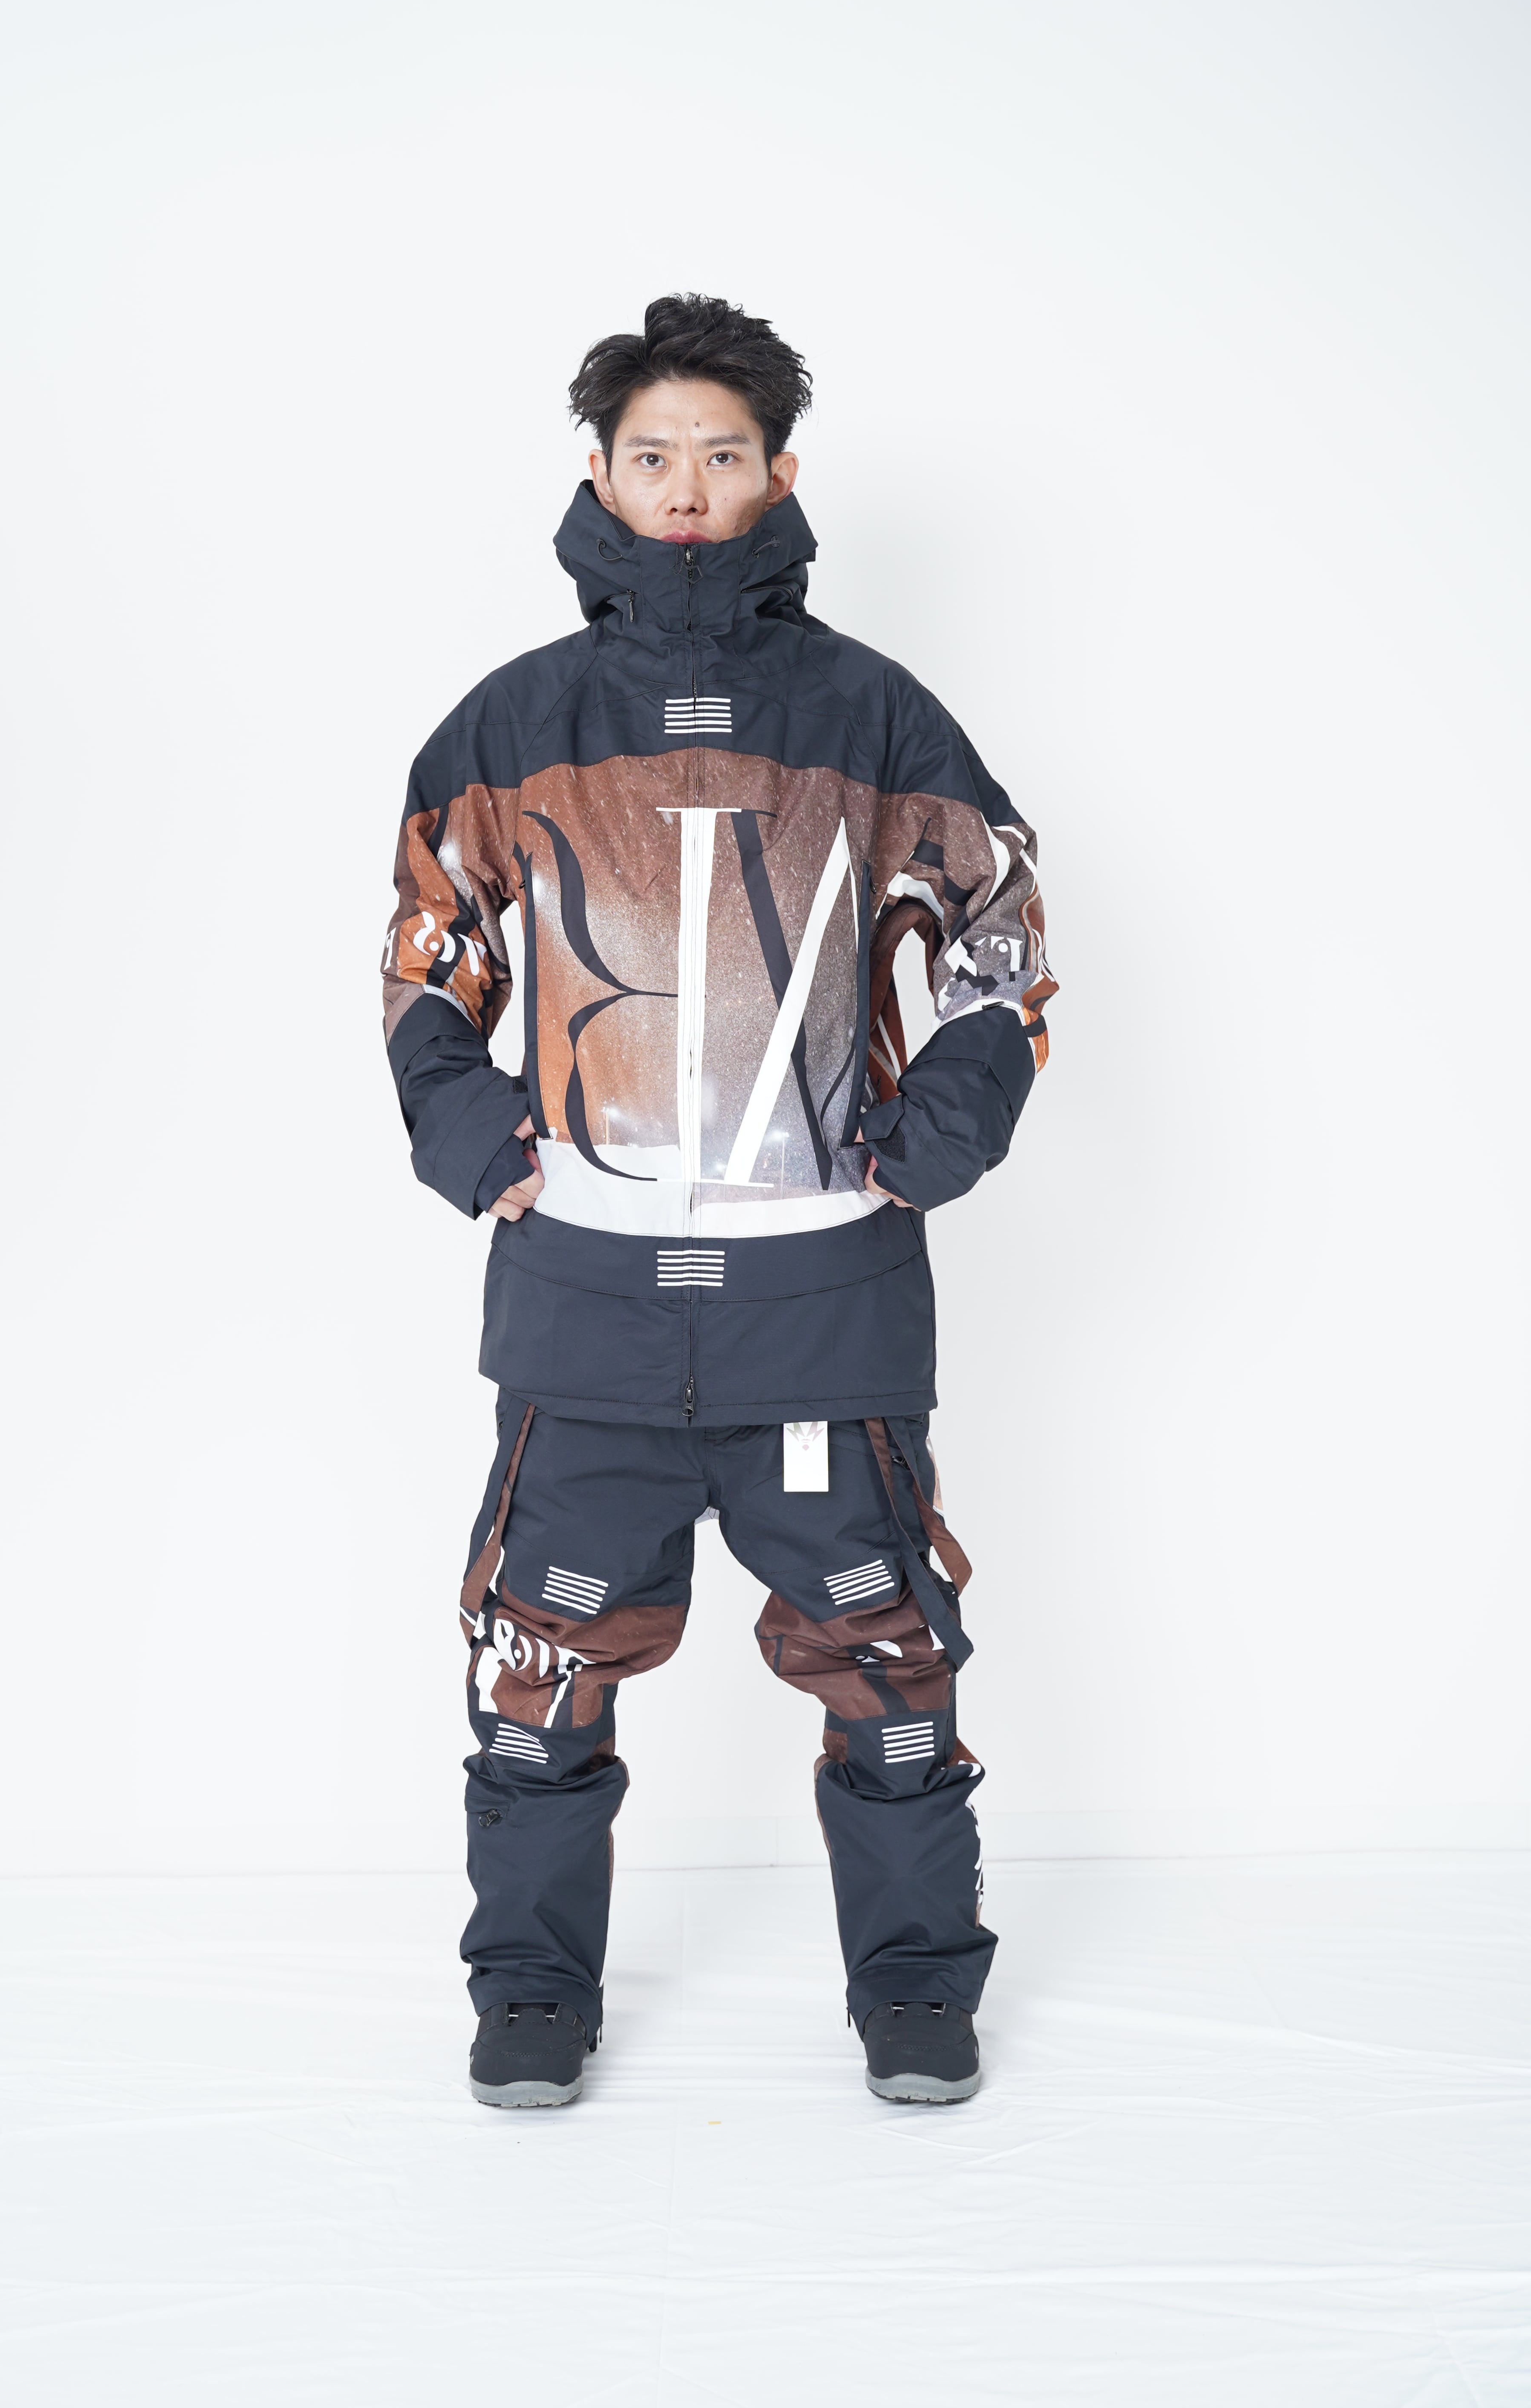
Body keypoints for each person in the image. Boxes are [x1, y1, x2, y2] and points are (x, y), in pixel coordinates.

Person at [382, 295, 1054, 2108]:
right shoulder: (513, 724)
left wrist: (934, 1140)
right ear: (601, 474)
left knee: (892, 1671)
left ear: (779, 474)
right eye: (654, 455)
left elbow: (1000, 946)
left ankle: (915, 1990)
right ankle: (532, 2000)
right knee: (535, 1681)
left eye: (723, 454)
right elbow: (425, 970)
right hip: (586, 1313)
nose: (687, 488)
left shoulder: (875, 714)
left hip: (821, 1313)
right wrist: (480, 1149)